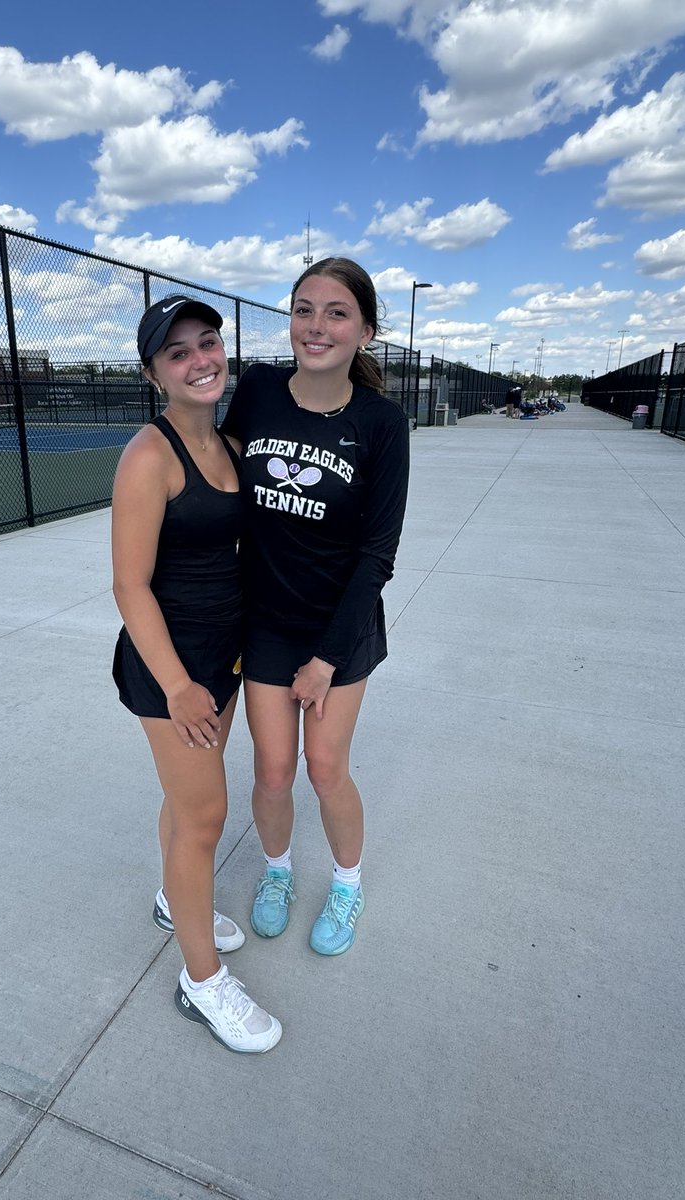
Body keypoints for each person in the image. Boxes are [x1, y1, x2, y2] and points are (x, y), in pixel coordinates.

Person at [220, 258, 410, 958]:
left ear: (365, 330)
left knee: (326, 769)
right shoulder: (261, 389)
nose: (317, 325)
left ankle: (349, 883)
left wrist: (328, 659)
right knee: (272, 771)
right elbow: (217, 479)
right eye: (305, 309)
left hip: (340, 630)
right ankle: (276, 875)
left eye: (336, 312)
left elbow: (377, 555)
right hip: (265, 620)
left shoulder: (382, 423)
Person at [111, 295, 281, 1054]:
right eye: (177, 353)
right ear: (154, 375)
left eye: (206, 343)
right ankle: (201, 982)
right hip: (169, 669)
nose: (199, 360)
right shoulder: (149, 456)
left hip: (223, 660)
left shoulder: (234, 447)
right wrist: (179, 686)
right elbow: (129, 585)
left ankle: (169, 897)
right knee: (206, 817)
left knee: (187, 804)